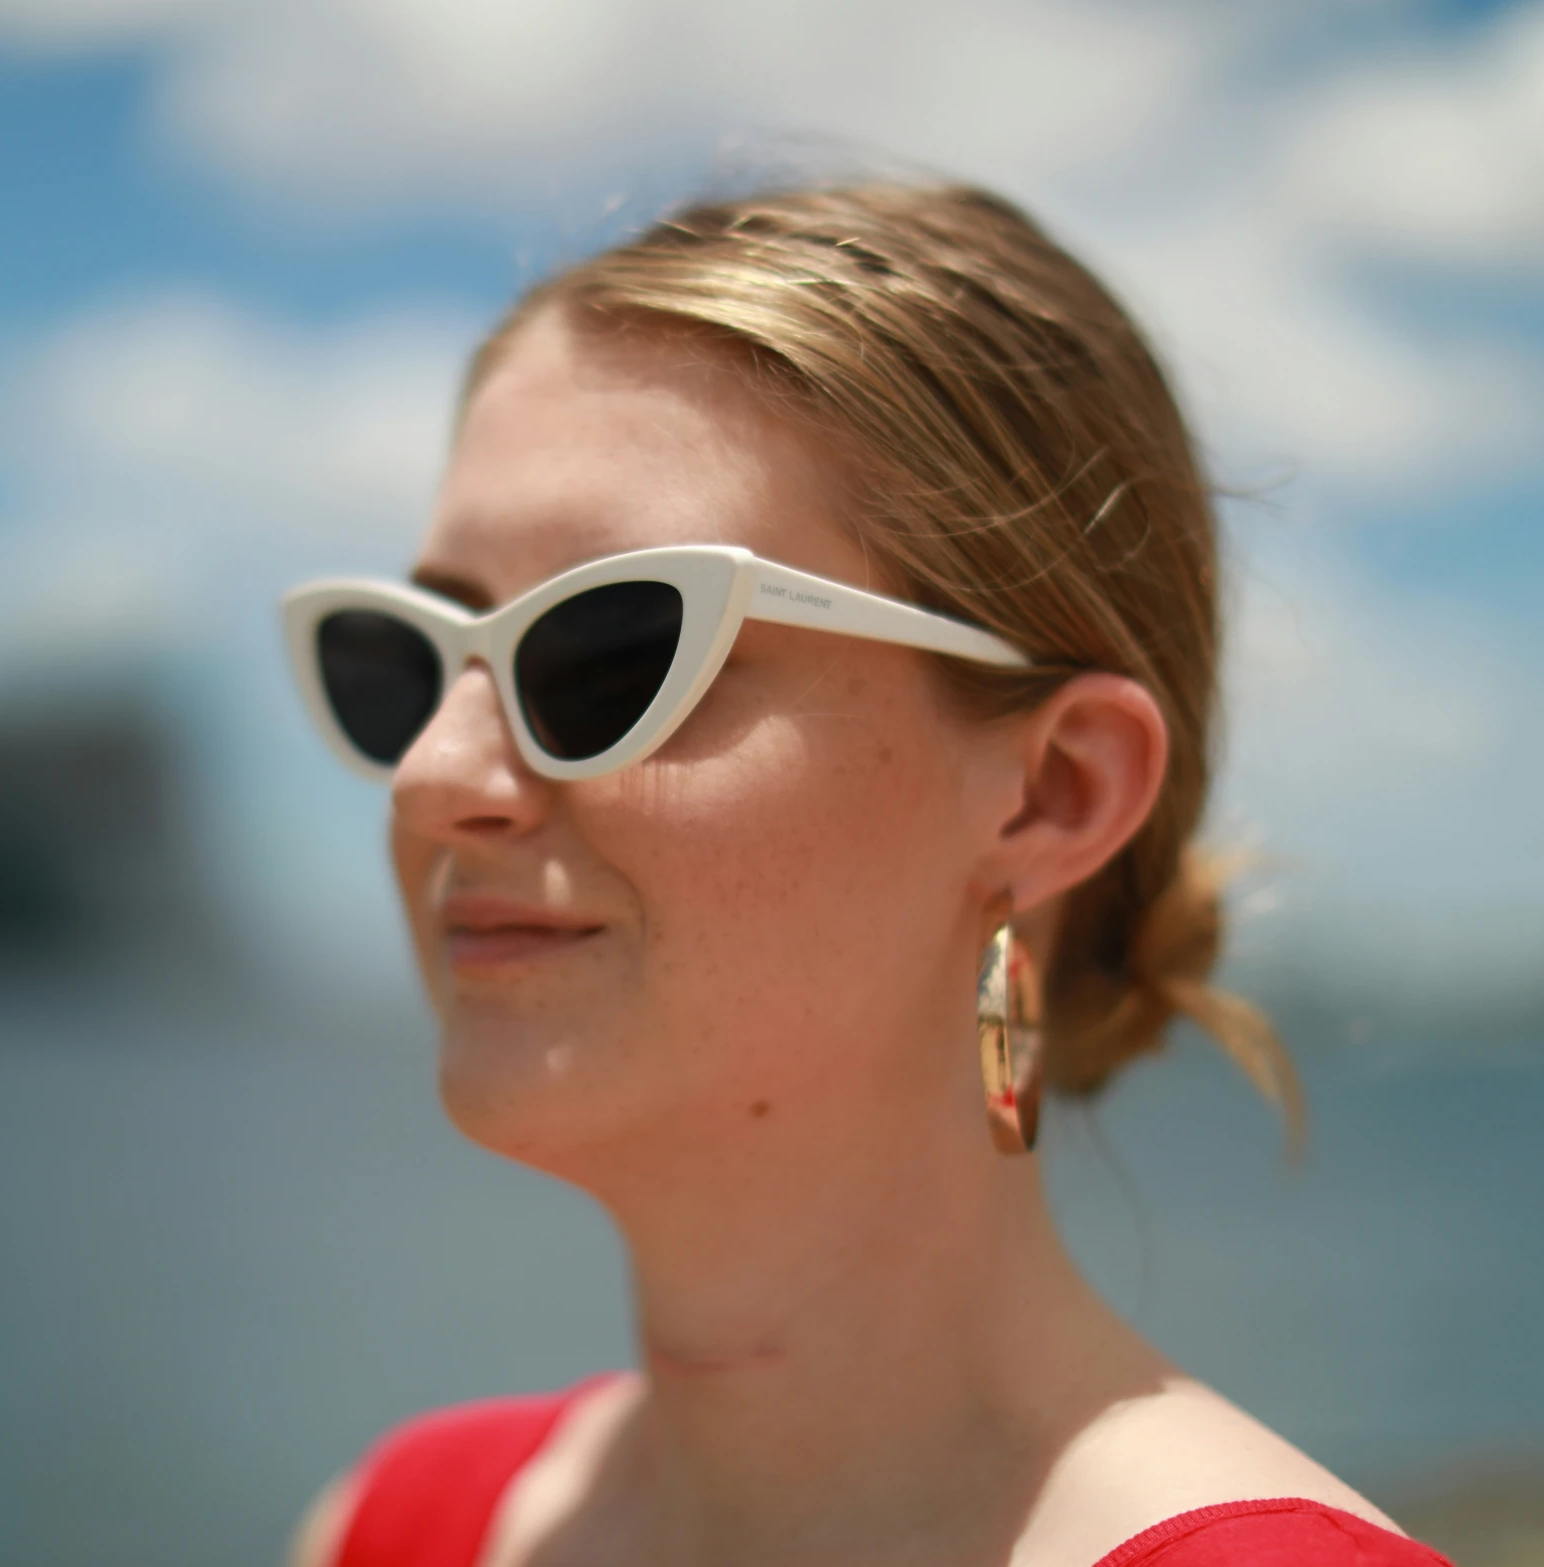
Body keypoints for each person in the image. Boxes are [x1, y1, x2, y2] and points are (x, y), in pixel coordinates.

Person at [278, 182, 1455, 1567]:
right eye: (411, 659)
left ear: (1051, 791)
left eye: (607, 653)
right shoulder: (396, 1528)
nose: (430, 772)